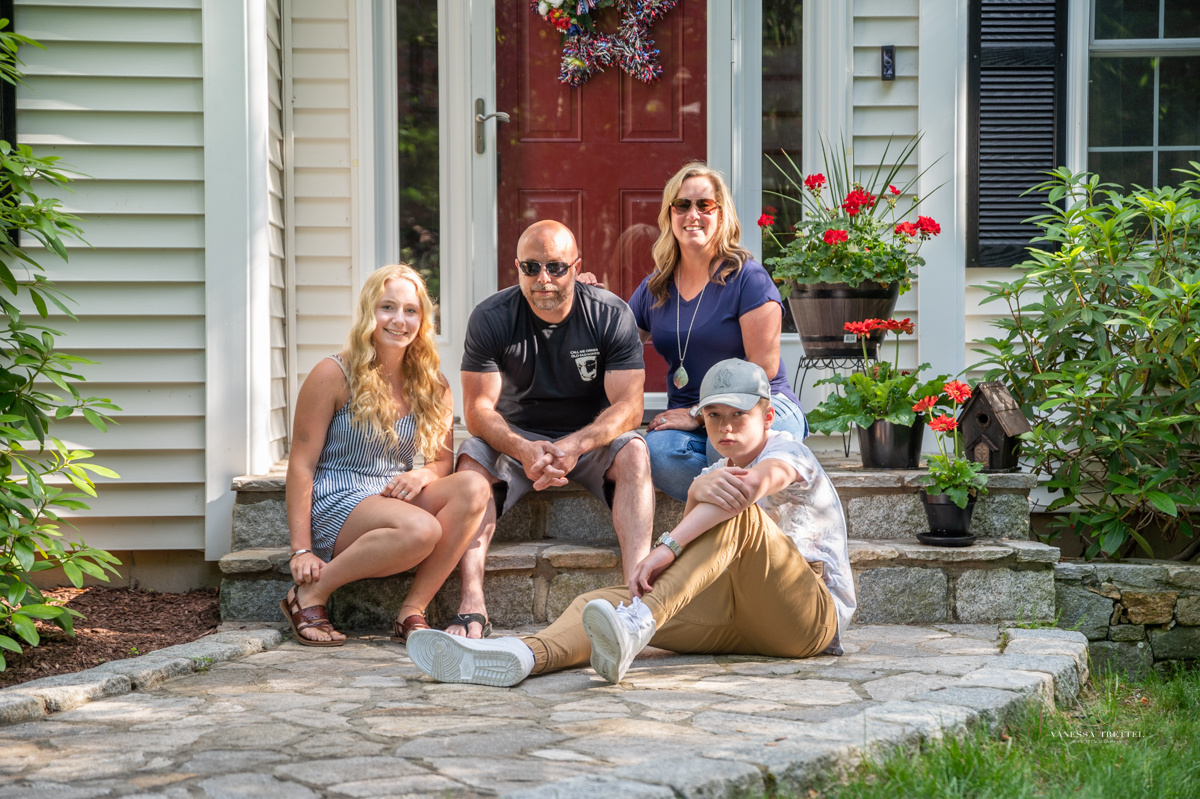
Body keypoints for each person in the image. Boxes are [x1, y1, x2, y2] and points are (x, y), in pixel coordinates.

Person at [403, 358, 856, 687]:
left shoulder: (787, 452)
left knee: (739, 515)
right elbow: (712, 495)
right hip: (740, 619)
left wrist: (666, 547)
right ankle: (520, 655)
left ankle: (638, 624)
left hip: (809, 620)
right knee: (598, 601)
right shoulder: (716, 470)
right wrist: (698, 492)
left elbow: (750, 490)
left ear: (768, 415)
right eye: (714, 416)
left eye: (739, 414)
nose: (726, 427)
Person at [447, 219, 654, 639]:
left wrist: (576, 444)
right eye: (531, 267)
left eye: (556, 267)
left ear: (576, 267)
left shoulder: (610, 313)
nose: (544, 279)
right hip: (515, 437)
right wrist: (523, 448)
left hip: (589, 438)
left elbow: (630, 407)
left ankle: (637, 603)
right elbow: (478, 410)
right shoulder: (491, 317)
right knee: (470, 460)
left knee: (635, 452)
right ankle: (472, 600)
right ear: (517, 267)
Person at [281, 264, 492, 646]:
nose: (399, 319)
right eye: (387, 307)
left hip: (390, 495)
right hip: (339, 501)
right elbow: (301, 464)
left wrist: (422, 476)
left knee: (475, 486)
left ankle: (411, 609)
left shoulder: (434, 384)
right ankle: (309, 594)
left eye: (411, 310)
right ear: (369, 314)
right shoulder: (333, 374)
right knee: (421, 528)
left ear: (422, 319)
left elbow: (441, 462)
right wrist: (301, 548)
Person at [629, 162, 808, 503]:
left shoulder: (748, 279)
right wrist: (583, 296)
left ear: (721, 215)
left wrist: (698, 412)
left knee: (724, 449)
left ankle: (718, 525)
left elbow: (763, 370)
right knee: (658, 454)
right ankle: (744, 510)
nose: (692, 214)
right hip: (694, 421)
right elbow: (615, 344)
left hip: (759, 405)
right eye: (682, 205)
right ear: (670, 215)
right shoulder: (655, 287)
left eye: (704, 205)